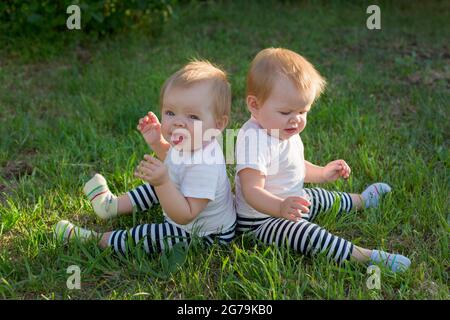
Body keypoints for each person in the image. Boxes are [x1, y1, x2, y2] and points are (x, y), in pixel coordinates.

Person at [234, 48, 410, 272]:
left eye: (303, 111)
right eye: (286, 112)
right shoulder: (253, 140)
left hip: (290, 201)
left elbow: (294, 167)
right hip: (261, 221)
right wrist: (280, 207)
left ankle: (361, 201)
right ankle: (365, 257)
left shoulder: (282, 130)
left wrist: (322, 173)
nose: (296, 120)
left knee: (318, 197)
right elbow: (251, 191)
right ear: (255, 105)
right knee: (307, 233)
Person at [55, 60, 236, 255]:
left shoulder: (205, 166)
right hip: (186, 208)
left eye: (192, 116)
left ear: (218, 124)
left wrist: (163, 183)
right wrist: (158, 141)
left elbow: (185, 216)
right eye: (170, 113)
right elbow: (175, 161)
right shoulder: (193, 140)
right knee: (158, 184)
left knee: (152, 233)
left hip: (206, 235)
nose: (178, 123)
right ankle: (111, 205)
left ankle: (95, 239)